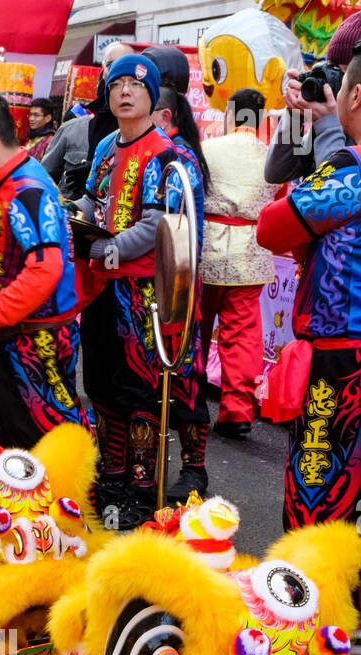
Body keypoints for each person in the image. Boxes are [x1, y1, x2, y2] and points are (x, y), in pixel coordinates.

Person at [256, 29, 361, 655]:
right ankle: (359, 624)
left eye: (339, 88)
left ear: (357, 94)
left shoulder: (357, 168)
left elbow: (272, 226)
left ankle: (322, 624)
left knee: (320, 490)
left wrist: (318, 133)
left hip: (345, 356)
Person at [76, 53, 186, 525]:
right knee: (100, 382)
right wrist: (71, 219)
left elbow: (156, 222)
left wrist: (106, 250)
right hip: (100, 286)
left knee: (141, 388)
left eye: (136, 87)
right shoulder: (104, 148)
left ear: (152, 97)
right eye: (116, 84)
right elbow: (92, 200)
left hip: (141, 291)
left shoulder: (164, 154)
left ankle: (145, 485)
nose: (124, 92)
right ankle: (113, 473)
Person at [0, 93, 87, 447]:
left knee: (44, 434)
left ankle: (71, 500)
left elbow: (44, 270)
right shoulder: (7, 182)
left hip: (37, 337)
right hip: (10, 330)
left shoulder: (27, 190)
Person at [198, 87, 279, 445]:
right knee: (243, 335)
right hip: (251, 250)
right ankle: (237, 411)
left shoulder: (207, 149)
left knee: (194, 328)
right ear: (261, 119)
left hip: (208, 248)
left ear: (229, 114)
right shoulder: (272, 158)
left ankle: (186, 399)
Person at [151, 82, 211, 498]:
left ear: (164, 116)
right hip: (144, 283)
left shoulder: (176, 158)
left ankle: (195, 468)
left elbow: (171, 228)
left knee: (185, 375)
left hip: (175, 281)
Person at [265, 4, 361, 184]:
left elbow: (335, 193)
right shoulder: (334, 123)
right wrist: (295, 115)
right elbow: (276, 173)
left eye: (341, 72)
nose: (329, 80)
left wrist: (329, 126)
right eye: (329, 69)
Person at [42, 42, 132, 201]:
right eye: (112, 65)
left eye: (127, 65)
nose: (119, 72)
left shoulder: (148, 134)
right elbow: (42, 181)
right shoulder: (74, 128)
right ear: (103, 72)